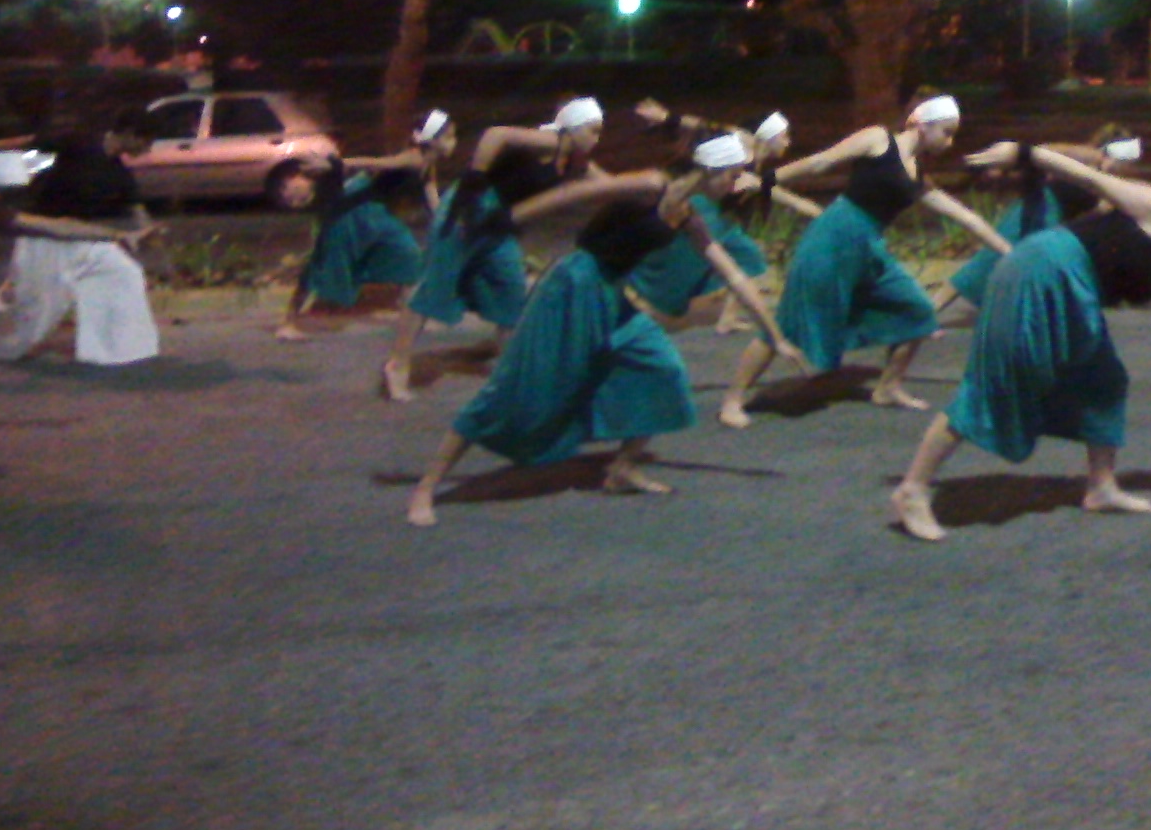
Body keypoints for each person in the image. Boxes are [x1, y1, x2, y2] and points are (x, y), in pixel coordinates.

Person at [406, 134, 809, 526]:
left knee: (663, 368)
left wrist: (775, 336)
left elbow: (734, 275)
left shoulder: (688, 218)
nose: (737, 184)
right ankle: (427, 487)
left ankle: (622, 468)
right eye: (734, 175)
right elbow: (577, 194)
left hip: (611, 294)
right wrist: (505, 220)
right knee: (514, 384)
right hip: (572, 286)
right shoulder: (651, 185)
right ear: (711, 170)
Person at [890, 141, 1151, 541]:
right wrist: (1024, 154)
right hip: (1042, 269)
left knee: (1104, 380)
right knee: (997, 384)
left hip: (1073, 289)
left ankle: (1101, 487)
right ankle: (912, 489)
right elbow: (1087, 177)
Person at [718, 94, 1011, 427]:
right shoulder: (877, 139)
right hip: (832, 240)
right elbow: (820, 162)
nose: (950, 141)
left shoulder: (916, 176)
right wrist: (764, 181)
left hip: (869, 247)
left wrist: (1007, 250)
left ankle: (888, 388)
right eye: (947, 132)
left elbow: (966, 217)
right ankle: (732, 401)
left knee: (917, 311)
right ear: (923, 124)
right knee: (786, 324)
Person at [381, 97, 607, 401]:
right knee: (433, 286)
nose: (597, 139)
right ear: (573, 127)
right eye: (593, 130)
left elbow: (614, 185)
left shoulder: (577, 163)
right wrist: (475, 177)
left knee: (510, 287)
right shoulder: (549, 141)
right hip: (469, 209)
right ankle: (397, 365)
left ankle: (511, 371)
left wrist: (653, 193)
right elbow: (495, 134)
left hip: (499, 222)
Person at [627, 101, 820, 334]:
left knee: (750, 259)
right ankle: (640, 300)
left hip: (725, 221)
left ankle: (727, 319)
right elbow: (705, 126)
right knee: (683, 265)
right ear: (769, 135)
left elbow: (762, 187)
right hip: (705, 212)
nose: (788, 142)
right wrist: (667, 118)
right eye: (784, 136)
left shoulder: (757, 160)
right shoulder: (740, 141)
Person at [0, 109, 162, 365]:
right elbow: (27, 144)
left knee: (123, 273)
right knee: (36, 313)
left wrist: (149, 233)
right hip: (42, 237)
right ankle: (6, 341)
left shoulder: (120, 175)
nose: (148, 150)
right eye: (146, 142)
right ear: (130, 134)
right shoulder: (79, 143)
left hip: (82, 238)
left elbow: (136, 209)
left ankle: (117, 349)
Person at [275, 110, 458, 341]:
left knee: (409, 256)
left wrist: (447, 223)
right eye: (448, 136)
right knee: (324, 264)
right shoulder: (413, 159)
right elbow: (373, 162)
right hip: (354, 209)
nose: (454, 142)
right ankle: (288, 322)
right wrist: (334, 164)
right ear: (432, 140)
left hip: (376, 214)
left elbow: (431, 196)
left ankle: (413, 315)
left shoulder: (427, 164)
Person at [931, 125, 1143, 313]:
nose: (1129, 168)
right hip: (1038, 207)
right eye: (1128, 162)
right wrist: (1007, 163)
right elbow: (1043, 152)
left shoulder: (1108, 177)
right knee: (988, 259)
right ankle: (931, 309)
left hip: (1054, 217)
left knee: (1040, 264)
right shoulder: (1089, 156)